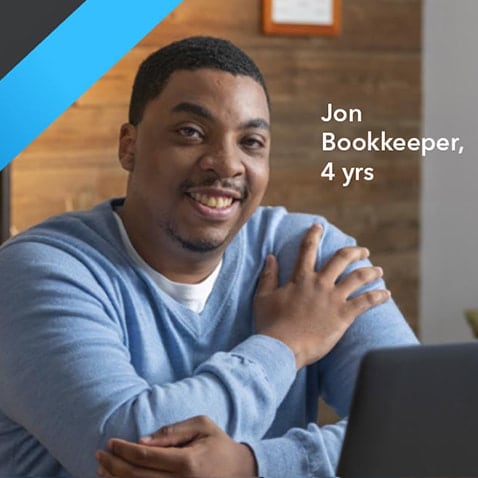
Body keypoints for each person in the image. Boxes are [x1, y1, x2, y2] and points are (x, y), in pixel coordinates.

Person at [0, 36, 417, 478]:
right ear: (129, 146)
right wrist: (287, 344)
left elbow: (424, 420)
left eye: (251, 141)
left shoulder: (310, 256)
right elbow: (134, 446)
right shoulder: (37, 272)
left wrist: (253, 466)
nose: (226, 163)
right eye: (191, 133)